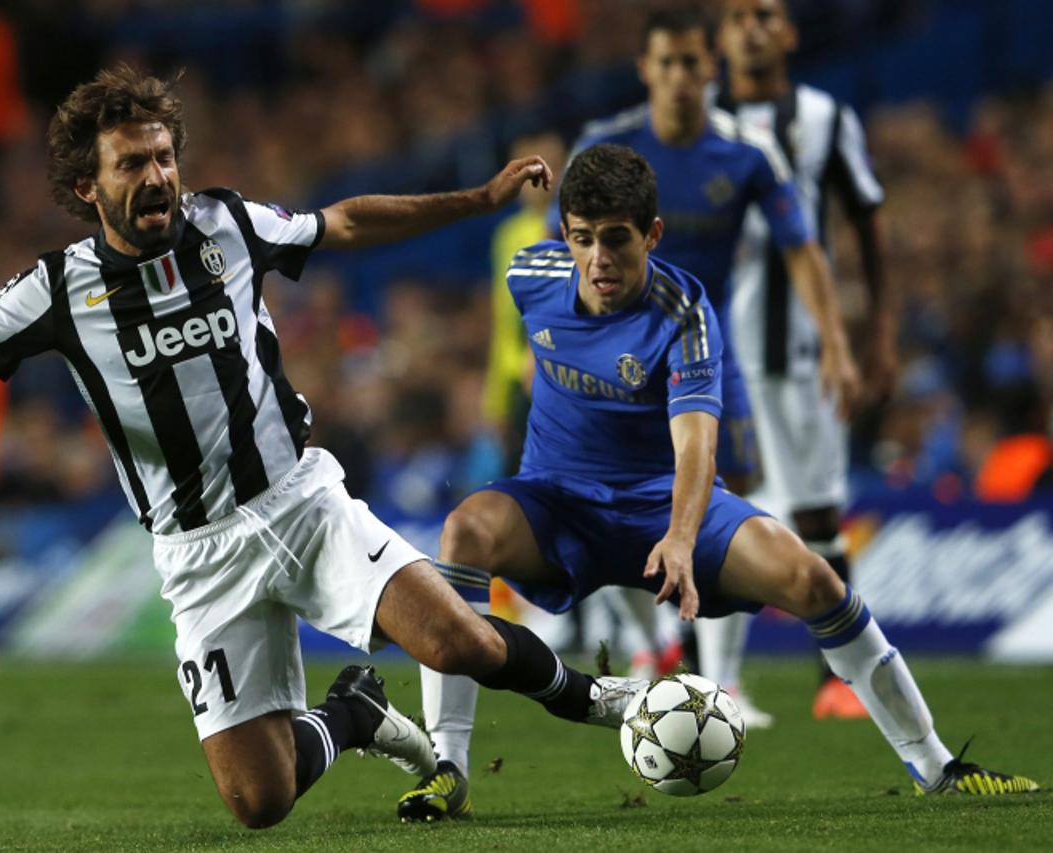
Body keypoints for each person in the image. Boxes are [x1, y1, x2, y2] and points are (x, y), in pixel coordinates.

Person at [0, 66, 649, 830]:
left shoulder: (227, 225)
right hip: (197, 554)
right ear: (84, 187)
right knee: (259, 802)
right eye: (131, 164)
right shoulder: (59, 288)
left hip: (302, 502)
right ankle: (354, 713)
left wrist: (474, 199)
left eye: (163, 155)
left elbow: (342, 221)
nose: (157, 175)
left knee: (459, 641)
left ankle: (612, 702)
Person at [397, 142, 1038, 822]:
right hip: (558, 501)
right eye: (582, 239)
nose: (598, 259)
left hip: (661, 505)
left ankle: (938, 767)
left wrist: (679, 536)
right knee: (464, 529)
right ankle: (449, 769)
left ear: (653, 234)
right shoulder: (529, 274)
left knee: (816, 581)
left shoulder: (684, 311)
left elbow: (696, 439)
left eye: (616, 239)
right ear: (564, 236)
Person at [569, 5, 857, 727]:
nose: (679, 77)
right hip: (617, 354)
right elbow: (558, 253)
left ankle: (719, 681)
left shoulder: (747, 154)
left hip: (706, 351)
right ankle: (654, 649)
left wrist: (835, 339)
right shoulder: (608, 149)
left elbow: (803, 246)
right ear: (646, 69)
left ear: (711, 67)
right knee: (600, 503)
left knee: (731, 505)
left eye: (691, 63)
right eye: (665, 63)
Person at [717, 0, 896, 719]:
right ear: (722, 36)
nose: (753, 27)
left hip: (801, 348)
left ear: (789, 32)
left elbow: (867, 223)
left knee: (820, 508)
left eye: (766, 14)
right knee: (718, 508)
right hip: (716, 349)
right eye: (738, 16)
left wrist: (876, 332)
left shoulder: (826, 118)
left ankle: (840, 679)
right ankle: (718, 681)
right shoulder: (693, 120)